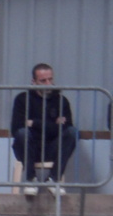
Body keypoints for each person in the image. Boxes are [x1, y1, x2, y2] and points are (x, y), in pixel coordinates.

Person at [10, 63, 77, 197]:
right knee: (23, 134)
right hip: (28, 147)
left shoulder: (61, 101)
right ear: (33, 82)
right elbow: (16, 128)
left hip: (52, 148)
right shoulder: (22, 99)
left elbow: (66, 127)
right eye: (43, 80)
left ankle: (53, 179)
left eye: (50, 79)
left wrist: (33, 123)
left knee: (72, 132)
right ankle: (30, 180)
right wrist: (53, 125)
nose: (48, 84)